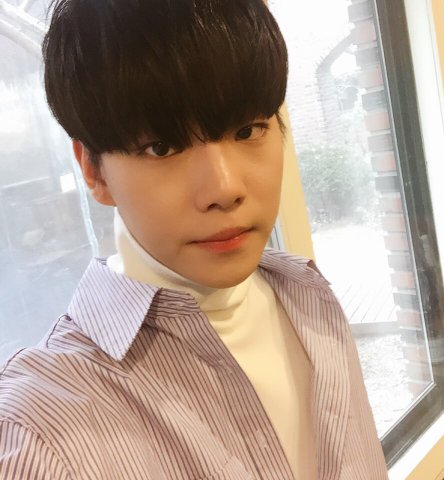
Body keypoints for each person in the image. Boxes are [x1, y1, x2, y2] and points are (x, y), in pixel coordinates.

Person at [0, 0, 388, 478]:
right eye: (162, 146)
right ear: (94, 172)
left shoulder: (308, 293)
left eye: (247, 129)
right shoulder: (40, 433)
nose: (224, 188)